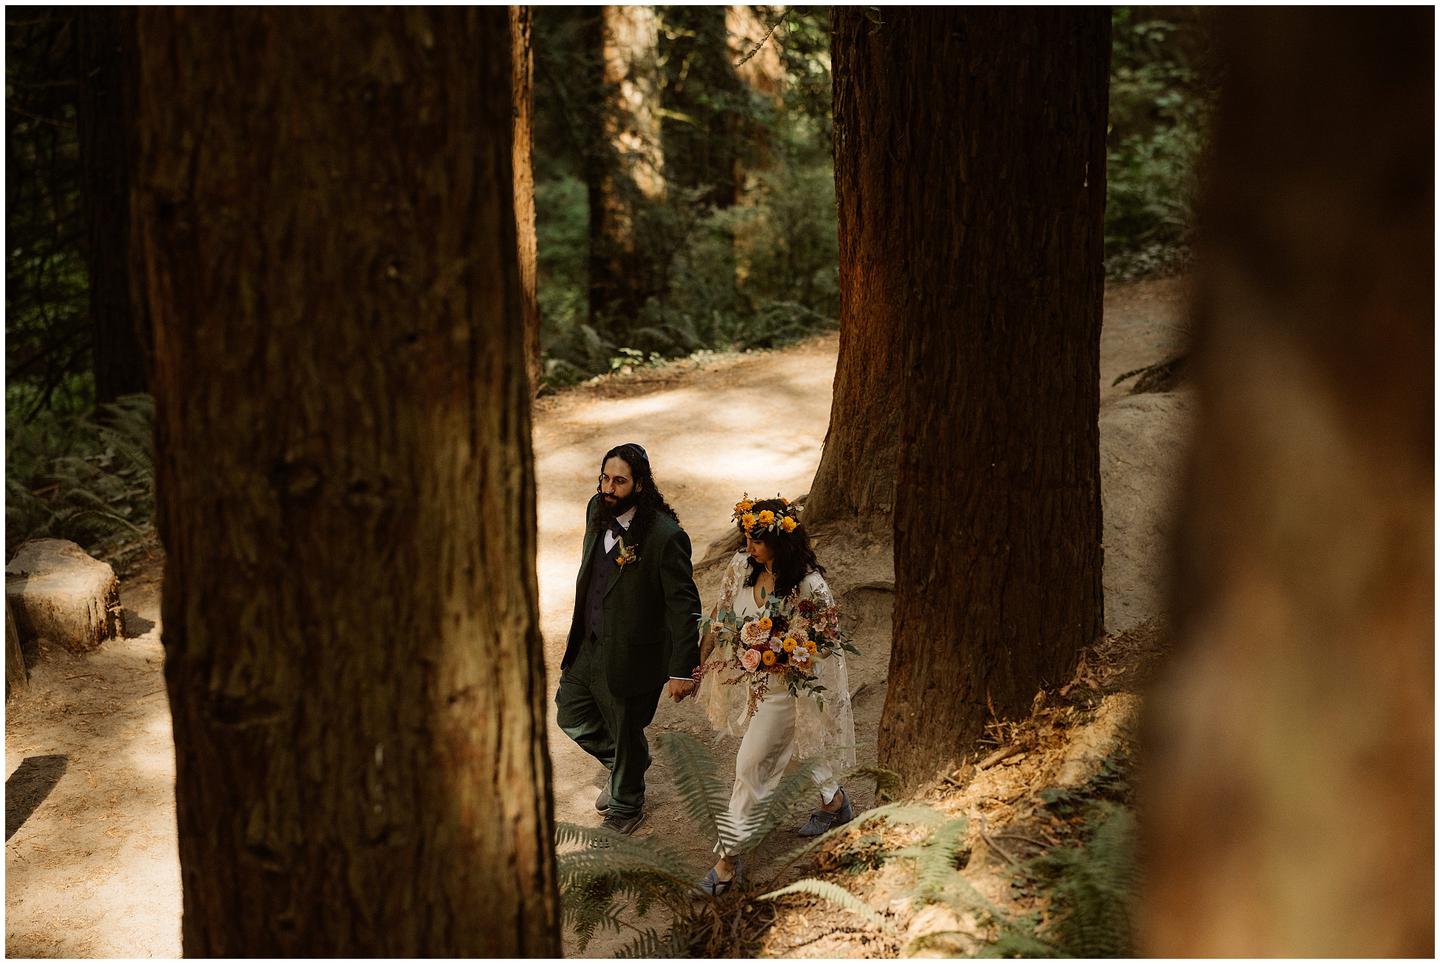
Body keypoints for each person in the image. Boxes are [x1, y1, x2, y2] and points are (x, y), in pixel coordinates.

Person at [694, 496, 857, 895]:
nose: (748, 548)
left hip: (788, 688)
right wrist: (695, 667)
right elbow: (720, 618)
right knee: (788, 748)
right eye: (746, 538)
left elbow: (825, 643)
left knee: (751, 766)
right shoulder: (739, 567)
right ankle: (835, 803)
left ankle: (726, 862)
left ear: (781, 543)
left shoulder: (810, 587)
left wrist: (785, 653)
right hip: (756, 683)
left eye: (756, 541)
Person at [556, 443, 701, 835]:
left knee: (624, 725)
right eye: (605, 478)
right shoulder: (596, 509)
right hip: (588, 641)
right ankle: (627, 765)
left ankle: (626, 805)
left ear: (639, 485)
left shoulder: (665, 536)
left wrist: (683, 670)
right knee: (569, 712)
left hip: (633, 654)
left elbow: (683, 605)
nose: (608, 487)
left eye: (619, 481)